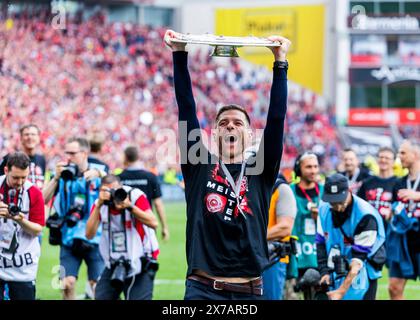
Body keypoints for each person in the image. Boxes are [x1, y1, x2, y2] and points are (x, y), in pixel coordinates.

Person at [164, 29, 291, 300]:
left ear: (249, 134)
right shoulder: (198, 164)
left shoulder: (261, 169)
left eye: (237, 123)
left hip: (250, 291)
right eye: (223, 123)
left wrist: (280, 63)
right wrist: (179, 53)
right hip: (203, 289)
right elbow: (186, 106)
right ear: (214, 133)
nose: (230, 126)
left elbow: (277, 119)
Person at [42, 137, 105, 300]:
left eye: (72, 153)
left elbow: (117, 189)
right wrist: (55, 178)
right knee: (67, 283)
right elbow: (42, 199)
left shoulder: (99, 171)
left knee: (97, 285)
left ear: (84, 153)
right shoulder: (62, 174)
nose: (68, 157)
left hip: (95, 238)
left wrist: (101, 174)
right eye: (66, 153)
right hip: (68, 238)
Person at [86, 174, 159, 300]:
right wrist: (98, 205)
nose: (113, 195)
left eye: (116, 190)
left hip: (141, 259)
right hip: (114, 261)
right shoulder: (100, 204)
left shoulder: (134, 196)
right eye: (108, 191)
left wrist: (130, 207)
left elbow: (153, 223)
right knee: (102, 296)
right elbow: (89, 234)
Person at [316, 173, 386, 300]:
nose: (337, 207)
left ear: (349, 191)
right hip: (335, 268)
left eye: (340, 201)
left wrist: (341, 292)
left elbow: (357, 263)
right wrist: (324, 272)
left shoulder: (366, 216)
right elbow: (320, 242)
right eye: (333, 202)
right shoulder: (323, 208)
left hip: (363, 269)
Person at [0, 152, 45, 300]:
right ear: (6, 170)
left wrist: (21, 219)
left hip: (23, 267)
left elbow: (38, 229)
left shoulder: (34, 193)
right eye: (15, 177)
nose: (20, 182)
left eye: (24, 177)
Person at [388, 140, 420, 300]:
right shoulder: (399, 183)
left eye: (403, 153)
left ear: (415, 154)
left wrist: (418, 196)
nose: (399, 156)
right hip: (404, 240)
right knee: (394, 288)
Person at [118, 146, 169, 241]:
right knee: (149, 253)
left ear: (125, 158)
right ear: (138, 157)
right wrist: (164, 227)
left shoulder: (119, 178)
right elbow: (158, 204)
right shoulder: (150, 177)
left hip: (125, 224)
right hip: (146, 222)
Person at [289, 152, 324, 288]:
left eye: (315, 167)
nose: (313, 171)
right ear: (299, 169)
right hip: (296, 255)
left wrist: (320, 218)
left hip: (319, 257)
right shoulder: (289, 191)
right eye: (308, 167)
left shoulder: (325, 192)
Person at [262, 174, 297, 300]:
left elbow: (285, 228)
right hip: (248, 256)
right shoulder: (246, 187)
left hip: (272, 260)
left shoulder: (280, 189)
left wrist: (252, 237)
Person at [357, 147, 398, 228]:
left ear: (393, 162)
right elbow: (359, 205)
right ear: (377, 160)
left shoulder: (398, 183)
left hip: (390, 230)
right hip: (369, 230)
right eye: (381, 157)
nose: (383, 160)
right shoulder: (367, 183)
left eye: (387, 158)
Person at [0, 124, 46, 189]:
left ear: (38, 138)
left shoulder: (41, 159)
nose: (30, 137)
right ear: (21, 138)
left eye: (33, 134)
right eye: (26, 134)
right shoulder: (10, 157)